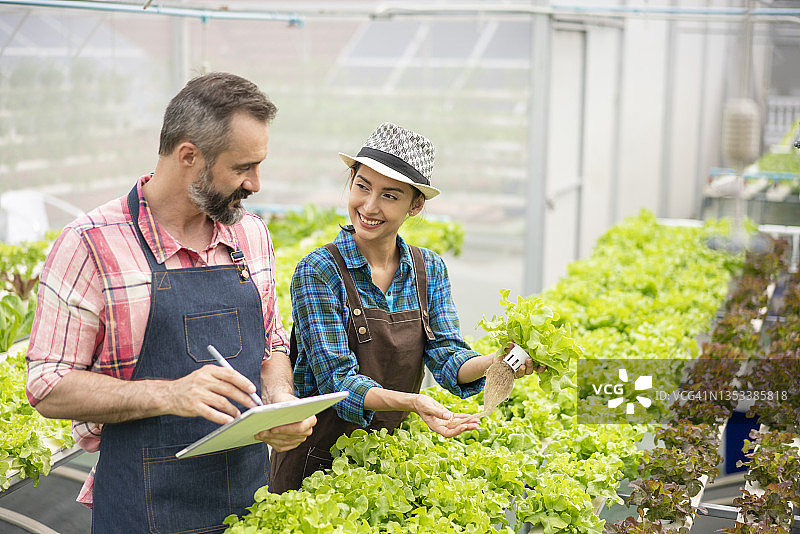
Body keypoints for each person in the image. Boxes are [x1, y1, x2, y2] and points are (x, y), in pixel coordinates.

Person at [25, 72, 316, 533]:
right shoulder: (90, 245)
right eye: (243, 167)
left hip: (249, 500)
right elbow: (47, 385)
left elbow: (273, 344)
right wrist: (170, 393)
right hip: (142, 507)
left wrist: (280, 399)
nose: (256, 183)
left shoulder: (250, 234)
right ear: (189, 157)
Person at [269, 122, 540, 493]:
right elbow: (338, 381)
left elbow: (447, 357)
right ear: (350, 179)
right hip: (316, 461)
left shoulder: (428, 269)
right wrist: (413, 402)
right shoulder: (318, 271)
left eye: (389, 196)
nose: (369, 206)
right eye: (362, 186)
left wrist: (496, 361)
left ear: (416, 205)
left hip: (387, 460)